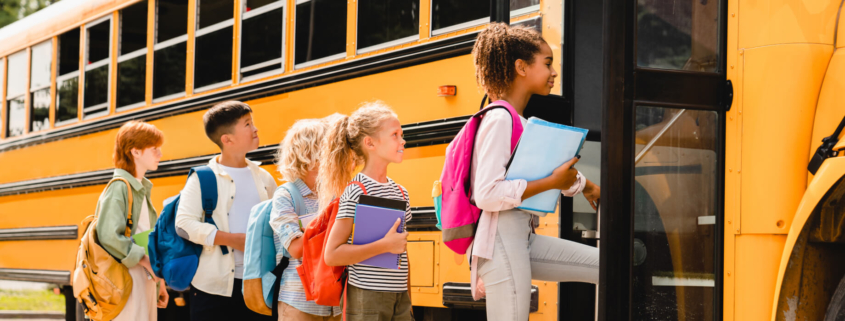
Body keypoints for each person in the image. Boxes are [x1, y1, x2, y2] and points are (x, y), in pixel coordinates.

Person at [469, 23, 601, 321]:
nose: (554, 73)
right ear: (521, 67)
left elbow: (545, 171)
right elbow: (487, 194)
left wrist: (585, 186)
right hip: (500, 238)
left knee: (607, 267)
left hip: (521, 237)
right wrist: (552, 182)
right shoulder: (500, 118)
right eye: (548, 63)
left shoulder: (521, 121)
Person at [174, 101, 277, 321]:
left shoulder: (264, 178)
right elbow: (183, 224)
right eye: (247, 124)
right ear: (227, 139)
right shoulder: (202, 177)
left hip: (257, 282)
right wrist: (233, 240)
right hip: (213, 289)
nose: (255, 129)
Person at [321, 103, 413, 321]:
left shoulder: (401, 192)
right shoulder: (356, 191)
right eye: (394, 135)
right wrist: (384, 246)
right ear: (370, 143)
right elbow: (332, 254)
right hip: (366, 296)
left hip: (400, 297)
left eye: (402, 134)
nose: (402, 140)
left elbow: (402, 252)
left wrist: (409, 297)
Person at [269, 118, 341, 321]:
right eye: (330, 149)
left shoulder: (334, 193)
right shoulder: (286, 195)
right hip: (298, 303)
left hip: (334, 300)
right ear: (309, 155)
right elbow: (296, 249)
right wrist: (330, 218)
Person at [97, 121, 169, 320]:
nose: (160, 154)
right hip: (125, 281)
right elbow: (109, 236)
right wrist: (147, 262)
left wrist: (159, 282)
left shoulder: (140, 189)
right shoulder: (119, 187)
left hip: (142, 278)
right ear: (135, 152)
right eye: (154, 149)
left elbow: (143, 237)